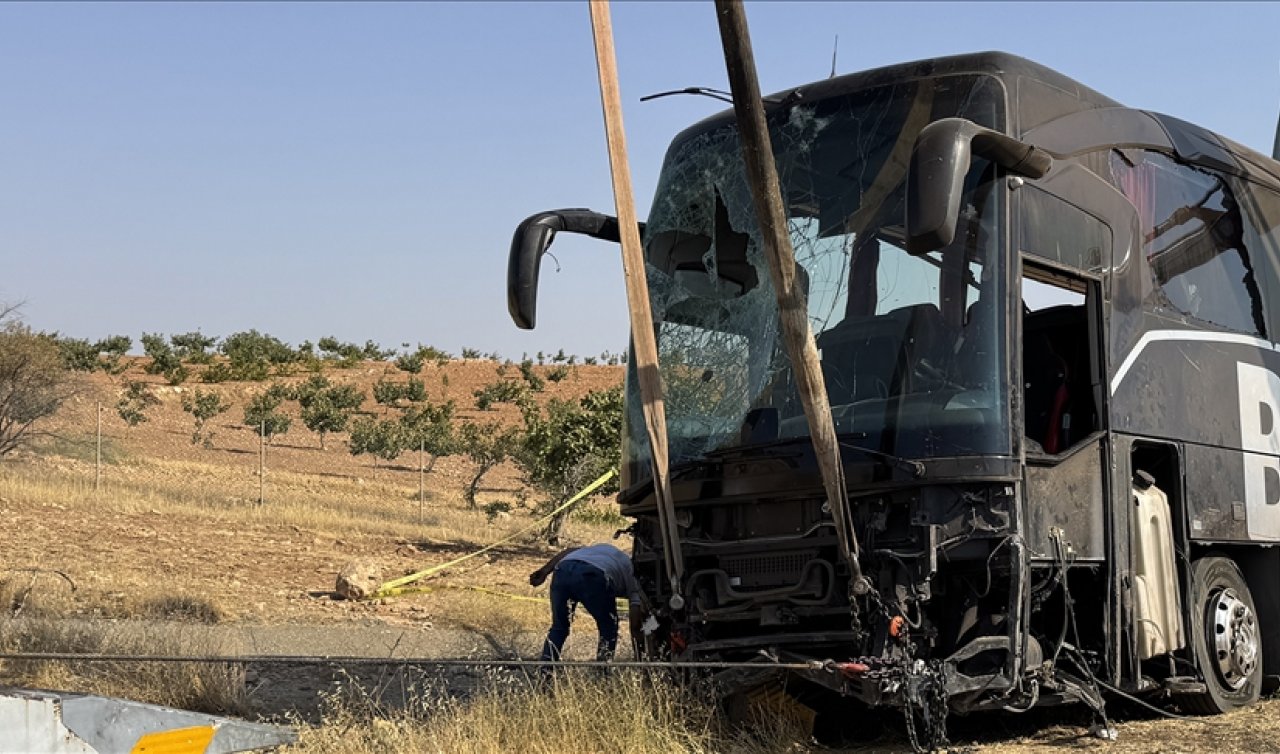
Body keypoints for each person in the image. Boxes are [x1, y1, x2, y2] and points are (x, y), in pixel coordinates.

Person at [529, 542, 644, 662]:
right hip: (593, 575)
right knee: (608, 628)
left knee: (559, 627)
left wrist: (544, 571)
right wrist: (640, 655)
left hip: (563, 570)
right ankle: (602, 672)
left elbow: (568, 551)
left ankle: (545, 673)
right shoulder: (633, 575)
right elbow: (635, 624)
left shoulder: (602, 550)